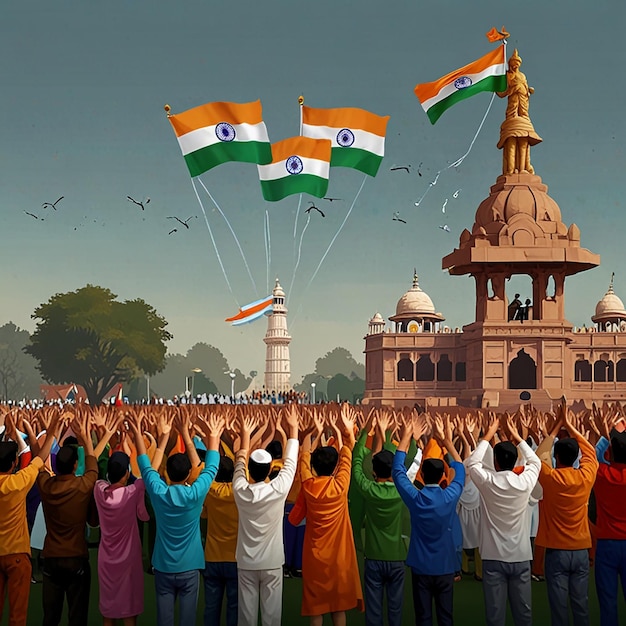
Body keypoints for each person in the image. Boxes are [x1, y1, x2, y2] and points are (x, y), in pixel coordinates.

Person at [133, 412, 223, 626]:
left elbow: (146, 467)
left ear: (168, 473)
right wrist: (213, 435)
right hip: (190, 565)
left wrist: (159, 437)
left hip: (163, 565)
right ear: (187, 475)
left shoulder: (159, 492)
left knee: (164, 620)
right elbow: (211, 467)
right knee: (188, 620)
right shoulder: (195, 494)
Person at [288, 405, 364, 626]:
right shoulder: (341, 484)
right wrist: (344, 431)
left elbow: (303, 457)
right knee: (338, 608)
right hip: (339, 557)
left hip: (314, 556)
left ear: (313, 465)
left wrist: (312, 432)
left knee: (316, 609)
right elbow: (347, 452)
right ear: (335, 466)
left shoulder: (308, 484)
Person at [467, 414, 541, 626]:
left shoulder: (488, 481)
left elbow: (473, 463)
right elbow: (534, 461)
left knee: (495, 616)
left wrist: (489, 434)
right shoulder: (524, 481)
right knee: (524, 615)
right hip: (520, 555)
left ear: (495, 462)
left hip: (493, 556)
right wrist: (518, 437)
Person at [393, 414, 464, 626]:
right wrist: (448, 441)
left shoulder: (416, 498)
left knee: (423, 617)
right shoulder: (450, 496)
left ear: (422, 472)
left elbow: (398, 472)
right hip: (445, 565)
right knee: (446, 617)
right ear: (444, 473)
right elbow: (460, 468)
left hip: (421, 566)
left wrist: (406, 437)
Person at [233, 407, 299, 626]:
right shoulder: (278, 489)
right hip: (271, 561)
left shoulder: (240, 489)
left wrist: (245, 436)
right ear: (271, 468)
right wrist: (293, 429)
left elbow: (239, 464)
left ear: (250, 471)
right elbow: (290, 463)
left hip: (246, 561)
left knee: (246, 618)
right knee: (272, 619)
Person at [533, 405, 598, 626]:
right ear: (575, 458)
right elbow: (590, 452)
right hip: (581, 550)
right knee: (581, 605)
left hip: (557, 551)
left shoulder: (551, 479)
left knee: (559, 608)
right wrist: (570, 426)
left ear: (557, 457)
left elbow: (538, 457)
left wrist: (554, 430)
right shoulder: (586, 476)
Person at [37, 412, 100, 626]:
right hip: (76, 557)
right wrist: (85, 436)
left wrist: (51, 432)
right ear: (75, 465)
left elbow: (38, 463)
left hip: (51, 558)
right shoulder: (84, 485)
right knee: (77, 617)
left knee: (50, 618)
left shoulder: (46, 485)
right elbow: (93, 466)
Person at [0, 412, 62, 626]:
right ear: (15, 462)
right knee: (18, 616)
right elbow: (39, 458)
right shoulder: (19, 481)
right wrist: (52, 431)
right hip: (17, 555)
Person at [352, 411, 407, 626]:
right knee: (395, 608)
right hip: (397, 556)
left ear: (373, 471)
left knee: (373, 610)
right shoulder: (403, 491)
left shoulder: (368, 489)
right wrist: (398, 433)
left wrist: (366, 431)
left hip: (373, 555)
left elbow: (357, 462)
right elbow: (406, 463)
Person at [94, 450, 150, 626]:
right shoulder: (133, 491)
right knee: (129, 611)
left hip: (106, 559)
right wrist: (157, 444)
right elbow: (144, 516)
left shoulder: (99, 489)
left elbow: (92, 461)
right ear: (127, 473)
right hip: (129, 560)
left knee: (108, 611)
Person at [593, 414, 626, 626]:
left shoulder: (601, 473)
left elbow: (592, 455)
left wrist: (604, 435)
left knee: (608, 602)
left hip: (606, 544)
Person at [201, 454, 238, 626]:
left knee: (211, 606)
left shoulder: (209, 490)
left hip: (212, 557)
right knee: (234, 607)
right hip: (235, 558)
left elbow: (204, 514)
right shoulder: (240, 492)